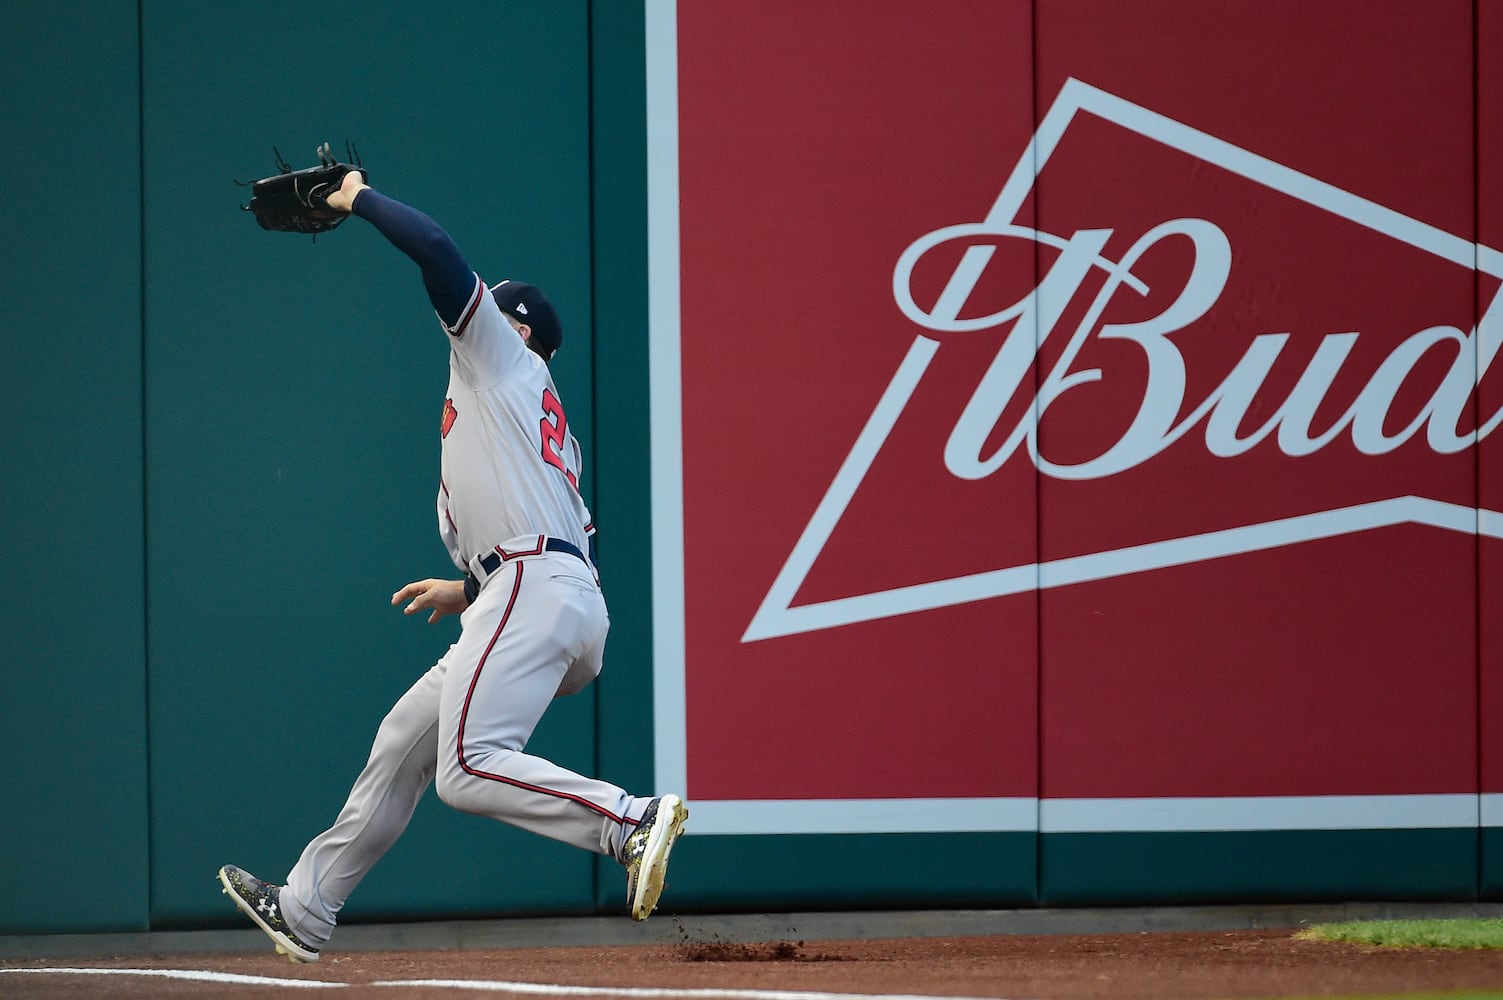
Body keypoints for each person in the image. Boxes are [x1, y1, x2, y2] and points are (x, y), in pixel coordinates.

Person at [218, 169, 688, 963]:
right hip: (547, 596)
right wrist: (471, 587)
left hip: (532, 591)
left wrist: (357, 197)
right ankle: (307, 905)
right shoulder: (524, 414)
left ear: (517, 328)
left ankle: (626, 820)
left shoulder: (499, 357)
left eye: (490, 308)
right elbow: (573, 539)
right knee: (406, 737)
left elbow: (434, 248)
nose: (469, 315)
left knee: (465, 768)